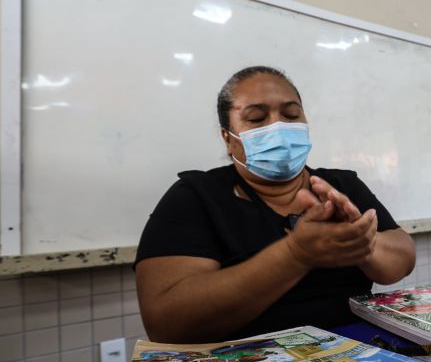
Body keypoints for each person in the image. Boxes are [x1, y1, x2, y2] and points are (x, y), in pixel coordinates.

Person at [134, 66, 416, 343]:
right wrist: (294, 256)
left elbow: (400, 263)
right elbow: (167, 324)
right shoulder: (196, 196)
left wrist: (361, 243)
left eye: (291, 115)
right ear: (227, 138)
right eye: (256, 118)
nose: (278, 127)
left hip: (357, 350)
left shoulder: (342, 186)